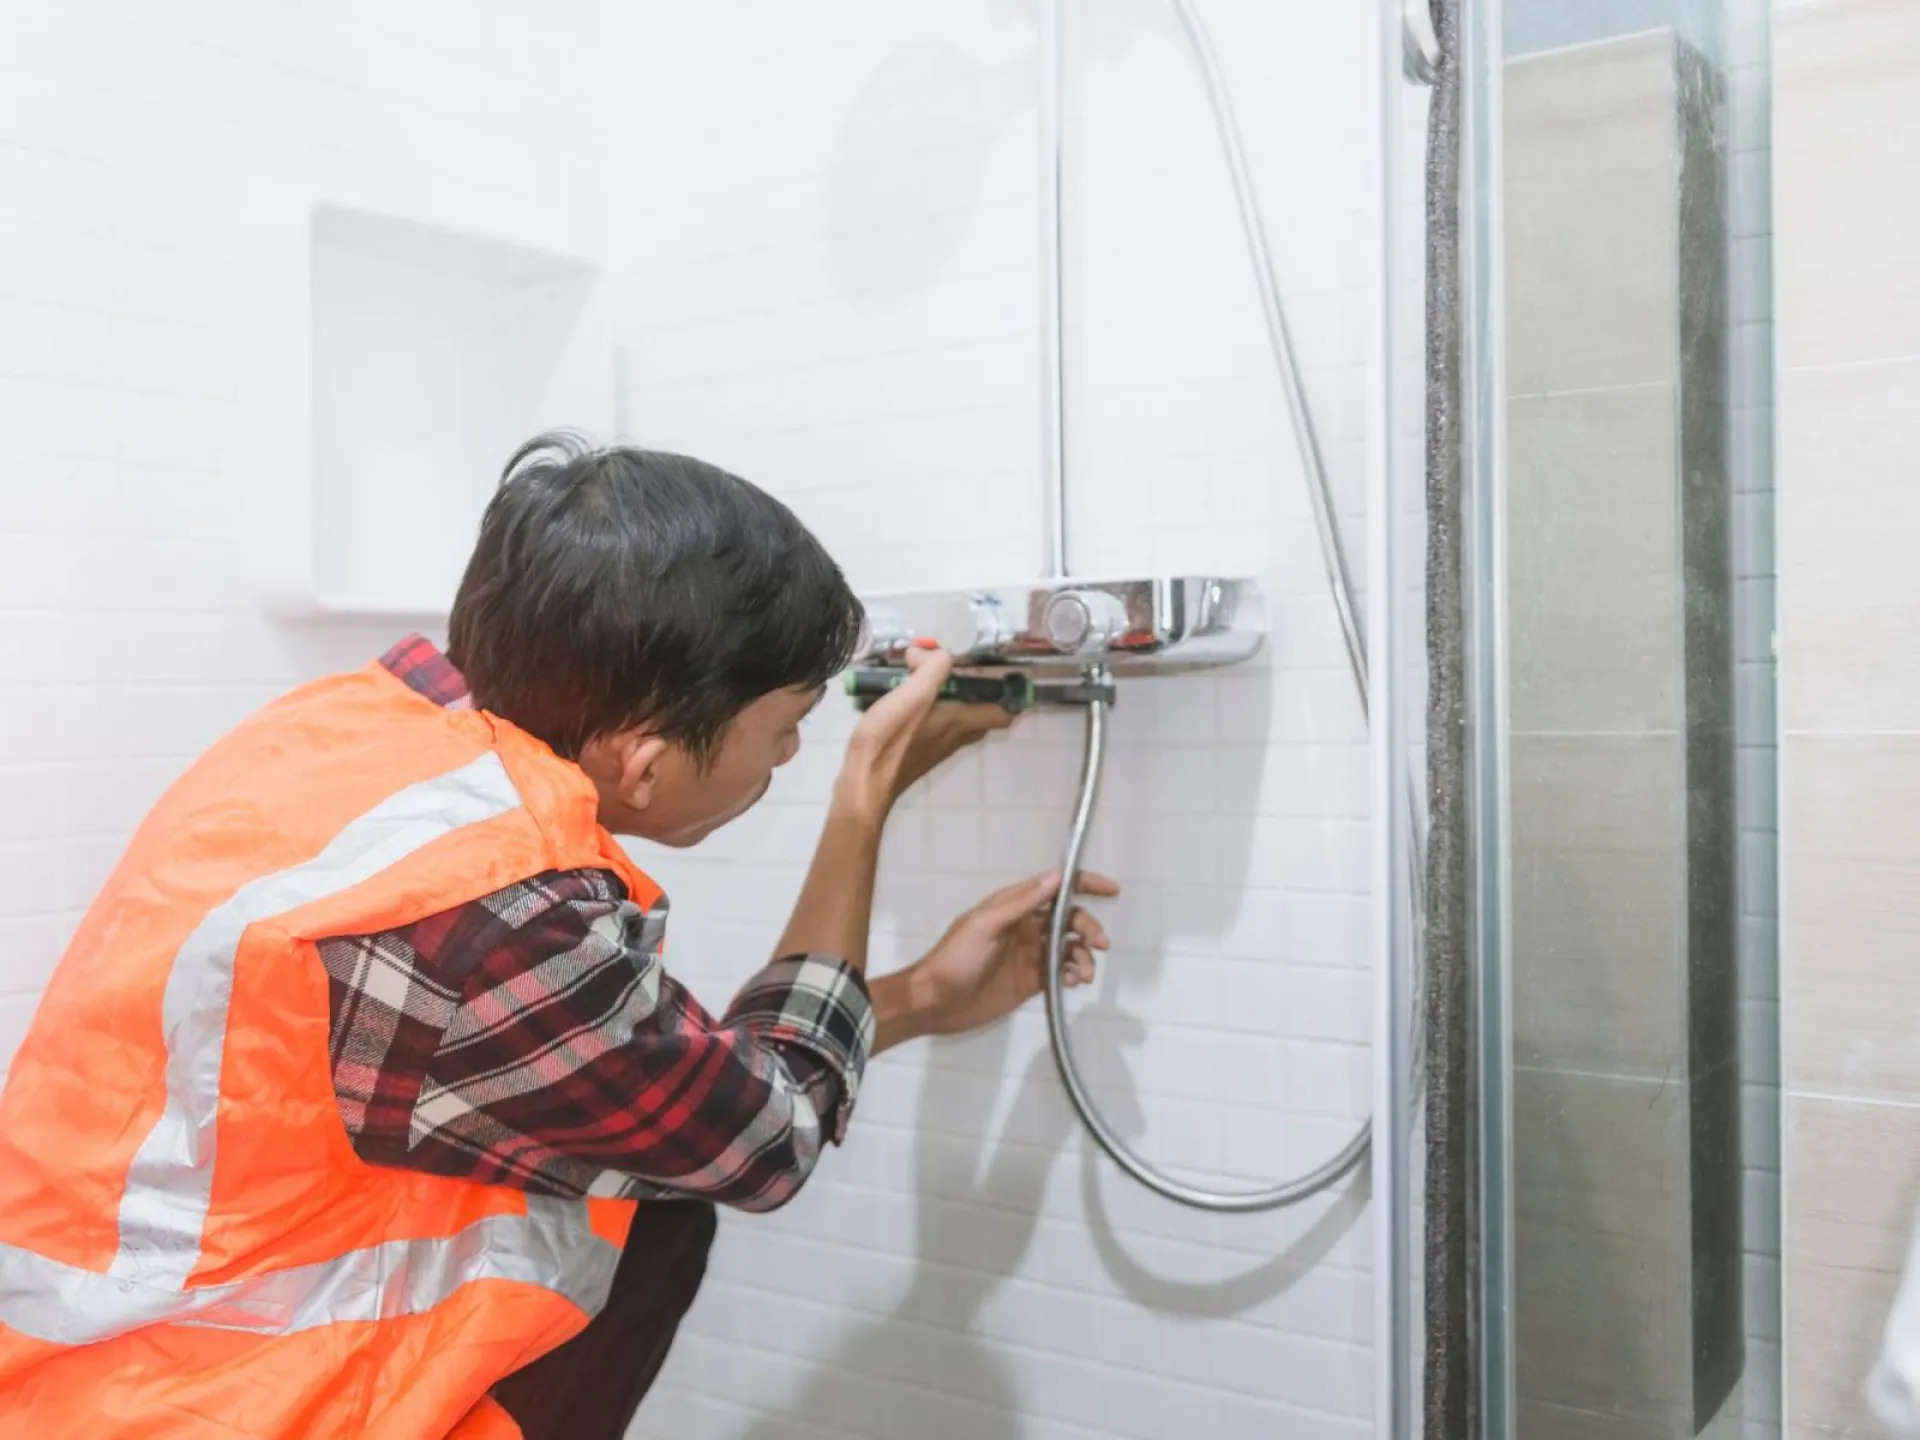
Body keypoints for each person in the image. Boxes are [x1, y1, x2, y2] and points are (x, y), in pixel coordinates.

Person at [0, 432, 1116, 1440]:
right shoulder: (496, 919)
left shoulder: (359, 732)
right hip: (204, 1410)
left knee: (648, 1201)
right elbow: (760, 1146)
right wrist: (867, 793)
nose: (787, 761)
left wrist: (912, 995)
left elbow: (619, 1084)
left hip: (74, 1367)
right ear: (642, 757)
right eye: (782, 733)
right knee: (663, 1219)